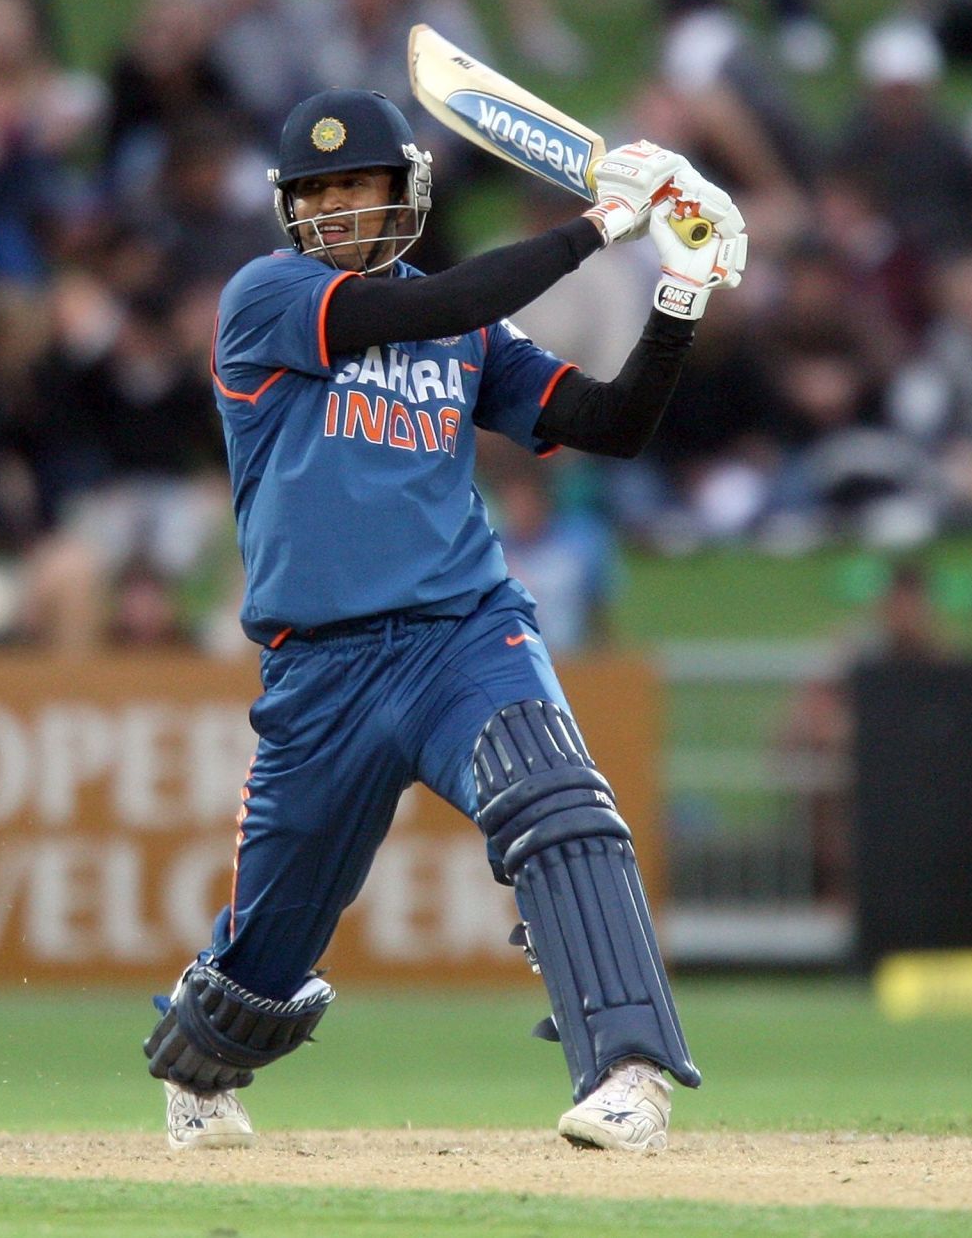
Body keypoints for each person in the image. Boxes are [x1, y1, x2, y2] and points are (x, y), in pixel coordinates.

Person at [145, 88, 747, 1153]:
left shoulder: (467, 324)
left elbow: (608, 423)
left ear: (403, 195)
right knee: (273, 933)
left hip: (461, 633)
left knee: (555, 802)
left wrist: (680, 293)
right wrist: (603, 225)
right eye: (315, 191)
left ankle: (629, 1072)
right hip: (318, 665)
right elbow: (414, 313)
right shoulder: (267, 297)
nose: (334, 209)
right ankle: (199, 1069)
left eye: (356, 186)